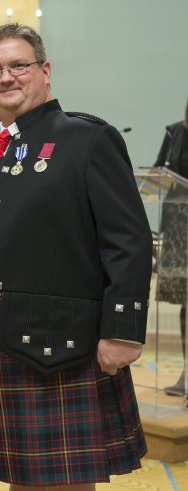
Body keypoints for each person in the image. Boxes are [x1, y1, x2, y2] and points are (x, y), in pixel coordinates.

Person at [0, 24, 151, 490]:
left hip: (61, 341)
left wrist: (122, 331)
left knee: (63, 480)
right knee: (22, 477)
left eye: (18, 66)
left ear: (45, 71)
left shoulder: (87, 140)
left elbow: (128, 241)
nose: (6, 77)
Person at [154, 99, 188, 396]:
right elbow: (157, 176)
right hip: (179, 233)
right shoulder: (173, 133)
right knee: (185, 303)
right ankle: (186, 372)